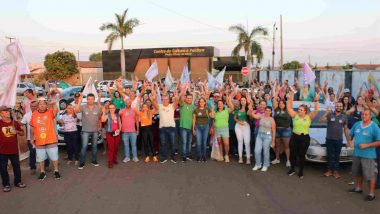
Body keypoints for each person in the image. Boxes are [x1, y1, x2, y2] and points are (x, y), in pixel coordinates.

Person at [348, 109, 380, 201]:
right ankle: (358, 188)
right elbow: (351, 134)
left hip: (368, 156)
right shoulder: (357, 124)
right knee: (358, 172)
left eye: (366, 114)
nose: (364, 116)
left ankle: (371, 193)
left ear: (370, 116)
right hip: (357, 154)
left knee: (370, 176)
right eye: (362, 114)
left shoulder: (374, 127)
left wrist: (367, 145)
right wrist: (350, 141)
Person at [286, 90, 320, 178]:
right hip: (294, 137)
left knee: (302, 155)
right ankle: (292, 168)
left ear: (305, 111)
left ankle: (301, 171)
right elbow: (289, 108)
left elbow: (316, 110)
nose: (299, 110)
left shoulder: (309, 117)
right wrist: (292, 95)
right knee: (292, 154)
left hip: (304, 138)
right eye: (299, 109)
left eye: (301, 110)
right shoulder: (295, 115)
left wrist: (316, 101)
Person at [30, 99, 61, 180]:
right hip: (39, 141)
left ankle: (56, 171)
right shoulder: (34, 114)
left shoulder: (50, 112)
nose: (42, 105)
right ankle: (42, 172)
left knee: (54, 157)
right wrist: (32, 137)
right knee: (41, 158)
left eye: (44, 104)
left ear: (46, 105)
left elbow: (56, 110)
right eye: (40, 104)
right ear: (38, 106)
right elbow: (32, 127)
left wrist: (54, 104)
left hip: (51, 139)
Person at [319, 101, 350, 178]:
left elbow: (346, 129)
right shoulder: (330, 114)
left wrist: (348, 141)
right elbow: (320, 120)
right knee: (330, 155)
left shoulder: (344, 117)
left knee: (337, 156)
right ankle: (329, 171)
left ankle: (336, 171)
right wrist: (326, 112)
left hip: (339, 140)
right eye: (337, 106)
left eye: (340, 106)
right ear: (335, 106)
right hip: (329, 139)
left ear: (342, 107)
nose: (338, 107)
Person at [0, 106, 26, 192]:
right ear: (1, 113)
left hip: (14, 149)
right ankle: (6, 184)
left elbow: (22, 133)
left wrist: (17, 131)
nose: (8, 112)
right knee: (3, 168)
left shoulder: (15, 122)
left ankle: (18, 182)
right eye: (5, 111)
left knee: (16, 166)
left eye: (8, 111)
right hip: (2, 150)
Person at [21, 101, 50, 174]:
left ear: (37, 107)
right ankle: (33, 168)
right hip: (30, 138)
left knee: (44, 152)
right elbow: (21, 123)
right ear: (30, 107)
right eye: (31, 106)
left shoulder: (43, 114)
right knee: (32, 153)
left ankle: (46, 165)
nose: (33, 107)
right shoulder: (27, 115)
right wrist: (14, 119)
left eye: (34, 106)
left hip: (42, 137)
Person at [75, 93, 102, 169]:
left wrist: (100, 128)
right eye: (89, 99)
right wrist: (79, 101)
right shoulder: (83, 107)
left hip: (95, 131)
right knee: (84, 147)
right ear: (87, 100)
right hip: (85, 131)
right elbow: (76, 111)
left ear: (94, 99)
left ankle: (94, 160)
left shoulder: (97, 107)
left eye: (92, 99)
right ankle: (82, 162)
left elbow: (100, 117)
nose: (90, 100)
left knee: (94, 146)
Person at [152, 91, 179, 163]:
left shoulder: (172, 106)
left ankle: (173, 157)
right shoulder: (160, 106)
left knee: (173, 143)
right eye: (163, 99)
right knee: (163, 144)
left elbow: (176, 101)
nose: (165, 100)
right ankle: (164, 157)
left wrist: (176, 96)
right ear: (162, 100)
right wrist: (153, 98)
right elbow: (154, 103)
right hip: (162, 128)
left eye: (167, 99)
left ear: (169, 100)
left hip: (171, 128)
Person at [250, 106, 276, 172]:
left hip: (268, 136)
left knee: (265, 151)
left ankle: (265, 165)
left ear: (271, 112)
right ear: (264, 110)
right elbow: (253, 115)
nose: (267, 112)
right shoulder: (261, 116)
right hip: (259, 135)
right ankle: (258, 164)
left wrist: (273, 141)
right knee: (256, 151)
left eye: (269, 111)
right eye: (266, 110)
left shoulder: (272, 120)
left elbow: (274, 131)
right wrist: (253, 110)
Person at [272, 85, 292, 167]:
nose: (281, 104)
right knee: (277, 146)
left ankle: (288, 160)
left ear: (285, 104)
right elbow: (274, 100)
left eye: (282, 103)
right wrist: (277, 91)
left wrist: (291, 92)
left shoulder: (288, 110)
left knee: (286, 146)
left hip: (286, 130)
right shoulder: (276, 109)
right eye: (279, 103)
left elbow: (290, 100)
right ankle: (277, 159)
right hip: (277, 130)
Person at [213, 93, 235, 163]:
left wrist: (228, 101)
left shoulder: (226, 110)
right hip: (217, 129)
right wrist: (213, 109)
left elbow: (232, 108)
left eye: (221, 103)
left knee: (226, 144)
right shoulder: (215, 112)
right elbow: (212, 117)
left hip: (225, 129)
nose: (219, 104)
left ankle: (226, 155)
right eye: (218, 103)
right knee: (219, 143)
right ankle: (221, 155)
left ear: (223, 104)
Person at [193, 97, 214, 162]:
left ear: (205, 102)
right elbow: (194, 119)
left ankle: (204, 156)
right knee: (199, 143)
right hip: (198, 127)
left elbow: (212, 117)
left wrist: (212, 109)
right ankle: (199, 156)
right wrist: (193, 129)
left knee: (204, 143)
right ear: (199, 103)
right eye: (200, 102)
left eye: (202, 101)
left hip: (206, 127)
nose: (201, 103)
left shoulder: (207, 109)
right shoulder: (196, 110)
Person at [101, 103, 122, 168]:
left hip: (117, 133)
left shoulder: (117, 115)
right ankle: (110, 162)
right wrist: (104, 112)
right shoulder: (107, 115)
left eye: (113, 108)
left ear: (115, 108)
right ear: (109, 109)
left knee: (116, 147)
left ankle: (114, 159)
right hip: (109, 133)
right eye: (110, 108)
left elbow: (120, 123)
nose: (111, 109)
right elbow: (102, 120)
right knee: (111, 148)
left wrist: (119, 130)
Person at [119, 98, 139, 163]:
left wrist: (138, 129)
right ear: (125, 103)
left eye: (129, 102)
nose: (128, 104)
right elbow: (117, 117)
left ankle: (135, 157)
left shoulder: (134, 110)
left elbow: (136, 121)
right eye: (127, 102)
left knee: (134, 145)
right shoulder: (122, 111)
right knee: (126, 145)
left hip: (133, 131)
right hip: (124, 131)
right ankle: (127, 157)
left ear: (131, 103)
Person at [234, 97, 251, 164]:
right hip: (238, 126)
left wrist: (250, 110)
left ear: (246, 101)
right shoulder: (237, 109)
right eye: (241, 100)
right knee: (240, 141)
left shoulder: (248, 109)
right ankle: (240, 157)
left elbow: (251, 118)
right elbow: (235, 118)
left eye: (244, 100)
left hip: (246, 126)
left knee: (247, 142)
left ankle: (248, 158)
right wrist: (238, 121)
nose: (242, 101)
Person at [179, 93, 195, 162]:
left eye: (190, 98)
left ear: (192, 99)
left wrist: (194, 127)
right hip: (183, 127)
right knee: (184, 142)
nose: (189, 99)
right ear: (186, 99)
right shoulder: (183, 104)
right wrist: (182, 91)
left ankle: (189, 154)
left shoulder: (194, 107)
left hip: (191, 127)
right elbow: (181, 100)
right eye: (188, 98)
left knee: (189, 142)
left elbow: (195, 118)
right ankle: (184, 155)